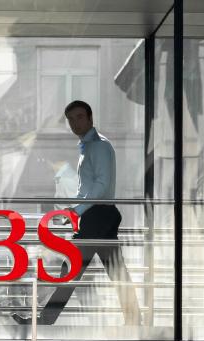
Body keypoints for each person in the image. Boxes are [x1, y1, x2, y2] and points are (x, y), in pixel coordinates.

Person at [14, 100, 141, 326]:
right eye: (71, 119)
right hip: (98, 215)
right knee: (113, 269)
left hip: (98, 215)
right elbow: (88, 188)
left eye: (80, 117)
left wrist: (78, 210)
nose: (75, 123)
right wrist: (74, 211)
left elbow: (101, 186)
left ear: (91, 119)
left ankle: (46, 318)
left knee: (73, 267)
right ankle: (134, 320)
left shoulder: (99, 146)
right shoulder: (89, 147)